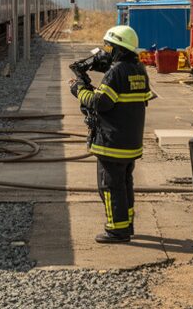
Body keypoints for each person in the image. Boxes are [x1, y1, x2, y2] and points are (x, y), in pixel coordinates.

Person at [68, 25, 152, 243]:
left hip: (112, 143)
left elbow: (100, 103)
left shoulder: (116, 72)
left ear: (118, 48)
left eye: (109, 46)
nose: (106, 51)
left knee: (110, 186)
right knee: (125, 184)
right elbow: (130, 98)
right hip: (130, 142)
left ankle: (117, 231)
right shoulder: (139, 69)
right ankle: (127, 224)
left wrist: (79, 90)